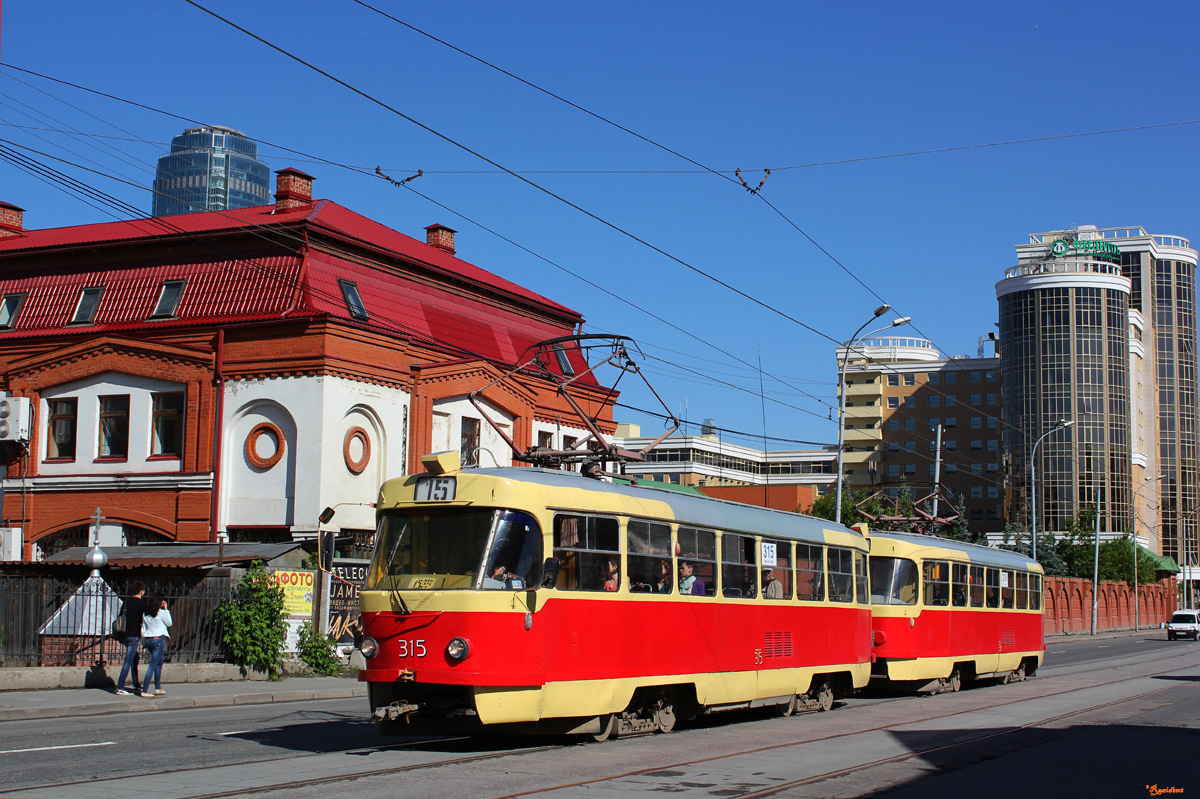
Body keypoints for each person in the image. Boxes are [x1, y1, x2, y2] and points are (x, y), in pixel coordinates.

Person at [114, 580, 147, 696]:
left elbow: (120, 615)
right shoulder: (141, 604)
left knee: (135, 658)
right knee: (128, 660)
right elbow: (147, 617)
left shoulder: (127, 601)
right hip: (134, 634)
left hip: (125, 633)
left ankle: (136, 684)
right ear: (141, 591)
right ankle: (120, 686)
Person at [140, 594, 173, 697]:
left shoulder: (146, 614)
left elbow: (143, 628)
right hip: (158, 640)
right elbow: (169, 623)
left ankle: (158, 687)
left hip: (150, 640)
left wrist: (144, 641)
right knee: (153, 665)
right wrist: (166, 609)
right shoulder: (161, 612)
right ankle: (145, 690)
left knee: (159, 663)